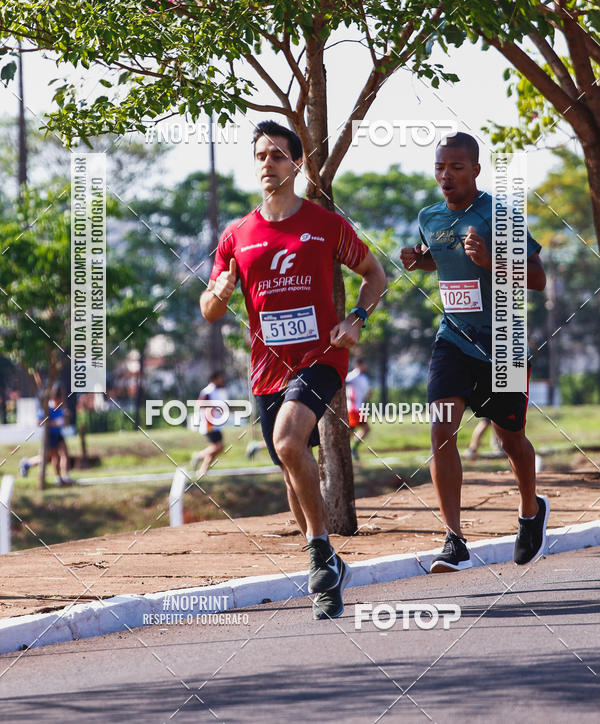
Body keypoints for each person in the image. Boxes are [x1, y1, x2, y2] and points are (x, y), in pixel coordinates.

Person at [200, 120, 386, 619]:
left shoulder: (326, 224)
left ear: (297, 164)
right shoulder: (236, 235)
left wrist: (356, 318)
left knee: (287, 441)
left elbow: (375, 274)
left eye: (278, 155)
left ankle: (320, 553)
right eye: (261, 155)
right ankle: (326, 557)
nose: (268, 163)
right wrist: (218, 293)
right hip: (267, 369)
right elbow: (209, 309)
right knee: (289, 466)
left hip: (323, 355)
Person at [400, 132, 548, 573]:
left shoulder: (499, 214)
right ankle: (454, 539)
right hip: (453, 339)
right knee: (441, 429)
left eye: (456, 167)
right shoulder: (429, 217)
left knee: (510, 440)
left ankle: (530, 510)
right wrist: (420, 260)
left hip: (504, 341)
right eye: (440, 167)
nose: (446, 176)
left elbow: (538, 278)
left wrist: (490, 261)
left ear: (476, 170)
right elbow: (443, 256)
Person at [19, 384, 73, 485]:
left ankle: (66, 477)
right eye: (59, 398)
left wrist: (65, 418)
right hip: (49, 436)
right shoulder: (48, 408)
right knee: (48, 458)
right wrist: (54, 423)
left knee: (64, 454)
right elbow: (39, 422)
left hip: (58, 435)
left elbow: (64, 423)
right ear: (54, 398)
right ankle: (27, 463)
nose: (61, 400)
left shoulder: (61, 408)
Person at [191, 371, 228, 476]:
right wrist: (213, 408)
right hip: (209, 424)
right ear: (214, 379)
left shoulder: (217, 391)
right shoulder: (208, 391)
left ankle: (203, 470)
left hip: (216, 424)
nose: (222, 380)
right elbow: (200, 404)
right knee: (219, 447)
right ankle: (198, 455)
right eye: (220, 378)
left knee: (215, 449)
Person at [346, 358, 372, 461]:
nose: (366, 366)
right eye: (364, 364)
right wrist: (348, 396)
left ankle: (350, 450)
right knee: (361, 429)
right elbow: (344, 383)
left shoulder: (364, 377)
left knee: (352, 431)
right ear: (358, 365)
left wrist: (368, 394)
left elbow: (364, 391)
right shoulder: (353, 375)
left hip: (359, 408)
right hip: (353, 408)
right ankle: (351, 450)